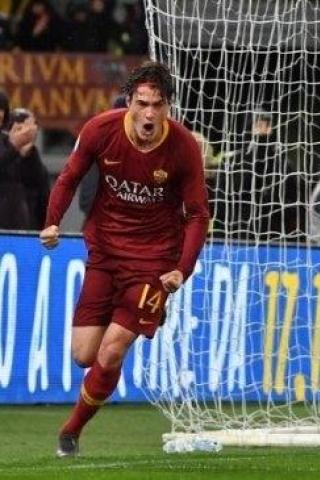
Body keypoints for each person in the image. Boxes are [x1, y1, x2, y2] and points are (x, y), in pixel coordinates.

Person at [39, 61, 209, 457]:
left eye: (158, 105)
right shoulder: (100, 129)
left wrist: (181, 270)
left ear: (168, 107)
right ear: (129, 101)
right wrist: (50, 221)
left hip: (153, 264)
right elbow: (69, 176)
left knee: (112, 350)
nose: (149, 113)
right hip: (105, 254)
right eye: (142, 103)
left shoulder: (183, 147)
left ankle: (70, 432)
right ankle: (128, 324)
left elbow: (198, 214)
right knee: (84, 355)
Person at [0, 107, 49, 230]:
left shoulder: (33, 158)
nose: (24, 134)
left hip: (28, 233)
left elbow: (43, 197)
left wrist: (28, 154)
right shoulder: (5, 154)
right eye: (19, 128)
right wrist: (13, 147)